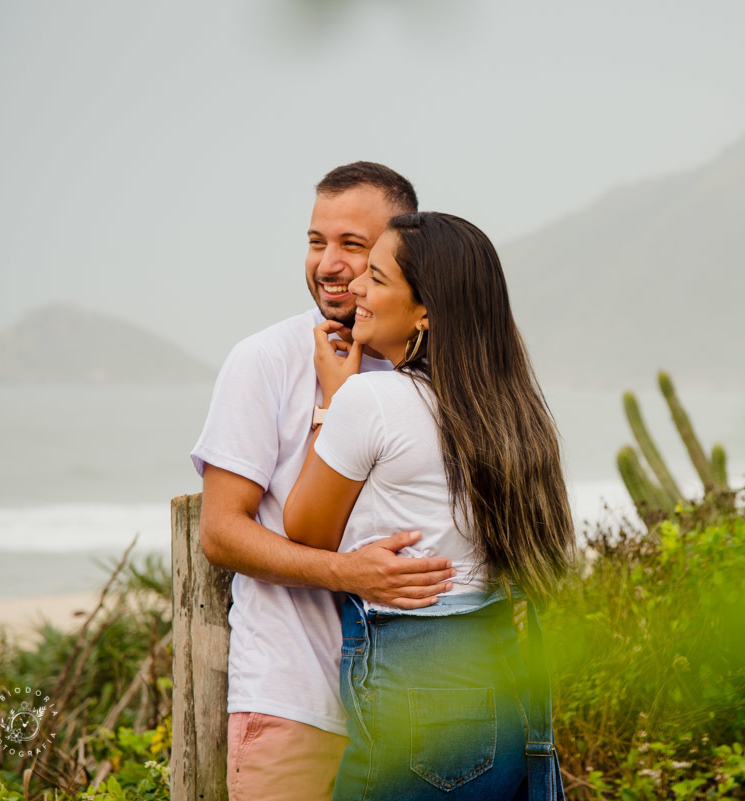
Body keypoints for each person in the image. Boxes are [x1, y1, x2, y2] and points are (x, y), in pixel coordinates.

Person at [283, 211, 575, 800]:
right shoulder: (506, 407)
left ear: (427, 311)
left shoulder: (370, 399)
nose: (358, 288)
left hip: (415, 663)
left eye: (378, 278)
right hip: (502, 660)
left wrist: (332, 404)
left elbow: (306, 527)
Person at [191, 163, 458, 801]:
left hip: (412, 706)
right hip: (295, 699)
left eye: (354, 247)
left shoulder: (432, 374)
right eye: (317, 242)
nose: (329, 265)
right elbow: (222, 534)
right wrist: (348, 573)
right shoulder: (263, 360)